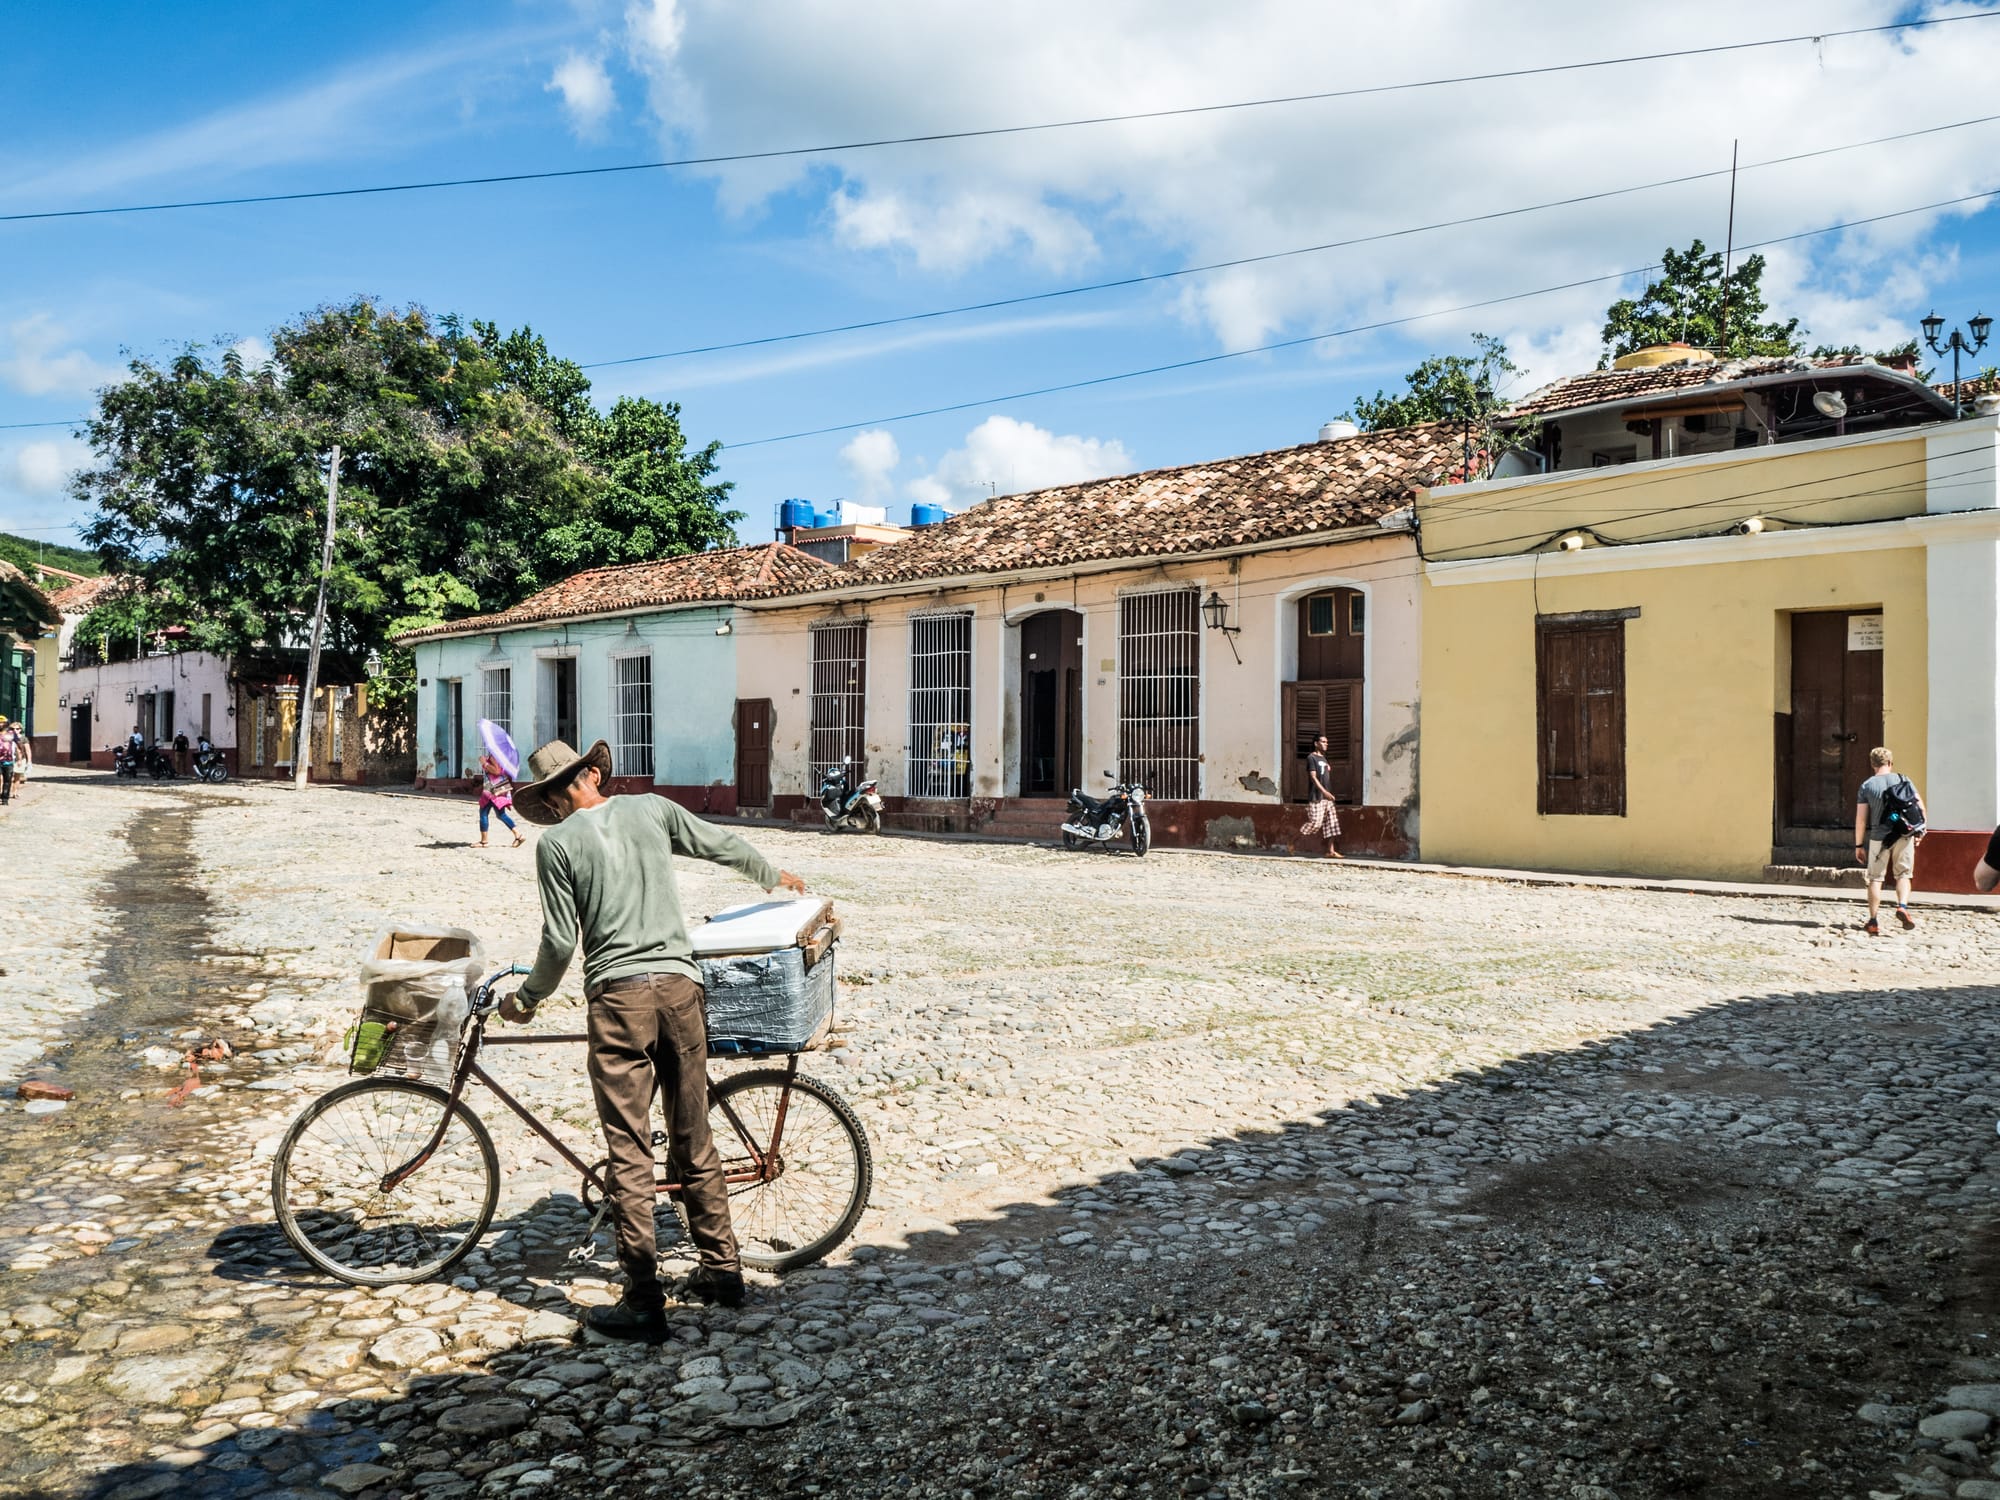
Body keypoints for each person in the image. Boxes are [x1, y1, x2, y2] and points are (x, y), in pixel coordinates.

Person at [499, 738, 807, 1340]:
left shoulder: (556, 845)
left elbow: (560, 942)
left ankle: (643, 1301)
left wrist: (527, 1000)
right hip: (681, 988)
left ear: (550, 795)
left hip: (619, 1001)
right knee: (694, 1133)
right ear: (592, 775)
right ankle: (723, 1272)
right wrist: (771, 874)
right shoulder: (651, 809)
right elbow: (719, 843)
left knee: (629, 1149)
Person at [1854, 746, 1925, 936]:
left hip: (1879, 838)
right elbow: (1920, 807)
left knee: (1875, 879)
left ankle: (1873, 920)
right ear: (1890, 763)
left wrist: (1859, 845)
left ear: (1872, 764)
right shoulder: (1904, 780)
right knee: (1903, 874)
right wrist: (1920, 832)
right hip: (1904, 834)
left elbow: (1861, 819)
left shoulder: (1867, 785)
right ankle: (1902, 906)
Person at [1299, 732, 1342, 858]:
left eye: (1327, 742)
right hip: (1317, 796)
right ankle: (1293, 840)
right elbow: (1313, 777)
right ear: (1316, 744)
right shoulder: (1311, 758)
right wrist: (1324, 792)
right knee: (1315, 823)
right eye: (1323, 742)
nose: (1326, 744)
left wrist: (1328, 793)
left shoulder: (1323, 758)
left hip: (1327, 797)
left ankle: (1331, 851)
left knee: (1332, 824)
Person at [475, 752, 524, 849]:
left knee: (483, 813)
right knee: (501, 815)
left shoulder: (494, 755)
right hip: (498, 789)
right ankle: (518, 835)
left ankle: (484, 841)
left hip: (492, 790)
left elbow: (496, 771)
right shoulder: (501, 755)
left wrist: (484, 763)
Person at [0, 719, 21, 805]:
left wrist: (20, 756)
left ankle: (5, 799)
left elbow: (19, 744)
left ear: (6, 723)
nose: (0, 724)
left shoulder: (11, 733)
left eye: (2, 722)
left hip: (8, 761)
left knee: (7, 780)